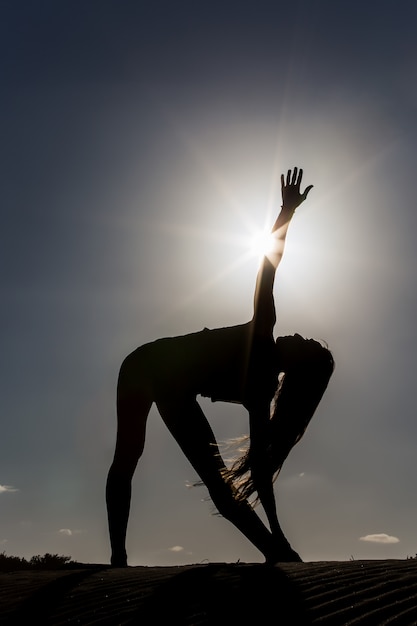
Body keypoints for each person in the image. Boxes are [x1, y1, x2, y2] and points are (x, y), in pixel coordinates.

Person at [106, 167, 334, 567]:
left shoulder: (263, 352)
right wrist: (286, 212)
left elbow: (268, 266)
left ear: (300, 365)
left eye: (306, 344)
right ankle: (118, 559)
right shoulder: (262, 364)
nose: (299, 336)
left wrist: (287, 214)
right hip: (144, 365)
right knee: (130, 454)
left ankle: (275, 553)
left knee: (220, 486)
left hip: (173, 386)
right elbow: (268, 269)